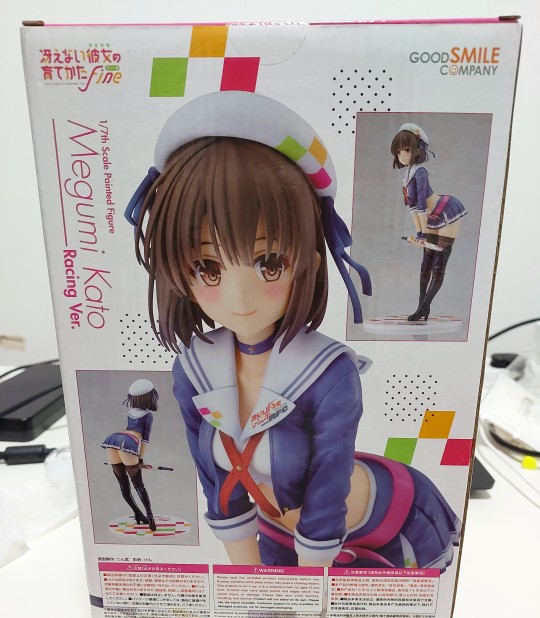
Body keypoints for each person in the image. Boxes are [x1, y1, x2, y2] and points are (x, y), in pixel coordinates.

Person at [127, 91, 461, 568]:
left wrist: (305, 585)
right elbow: (216, 485)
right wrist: (246, 580)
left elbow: (327, 486)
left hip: (379, 526)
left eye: (269, 263)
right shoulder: (194, 369)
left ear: (308, 260)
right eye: (207, 267)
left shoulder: (328, 372)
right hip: (278, 533)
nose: (239, 299)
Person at [391, 123, 467, 321]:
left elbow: (422, 205)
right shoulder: (406, 175)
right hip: (429, 219)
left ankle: (424, 307)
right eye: (398, 151)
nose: (401, 155)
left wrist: (423, 234)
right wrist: (420, 234)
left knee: (438, 266)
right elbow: (412, 208)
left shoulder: (420, 172)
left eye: (406, 150)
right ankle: (421, 306)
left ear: (417, 150)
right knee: (426, 265)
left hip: (445, 212)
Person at [102, 379, 158, 531]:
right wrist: (140, 459)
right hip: (128, 443)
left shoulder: (131, 412)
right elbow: (145, 440)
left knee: (123, 486)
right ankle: (150, 518)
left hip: (113, 439)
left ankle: (138, 513)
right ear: (150, 397)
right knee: (139, 485)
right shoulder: (148, 415)